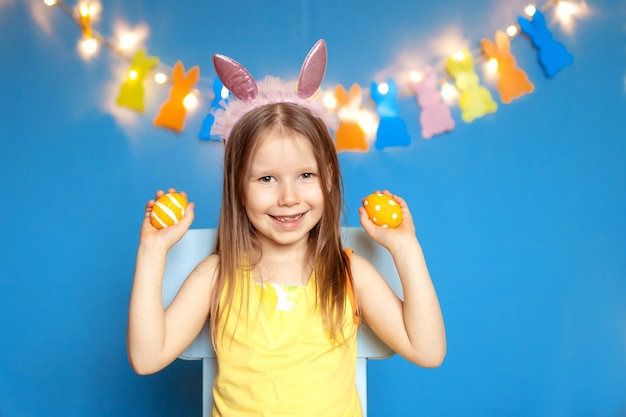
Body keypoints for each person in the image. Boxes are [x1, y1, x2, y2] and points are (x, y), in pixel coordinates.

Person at [127, 40, 446, 417]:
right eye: (266, 179)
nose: (289, 197)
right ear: (237, 188)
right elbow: (147, 358)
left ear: (328, 179)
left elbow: (427, 351)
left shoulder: (347, 273)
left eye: (305, 175)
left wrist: (406, 249)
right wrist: (153, 250)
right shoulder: (218, 275)